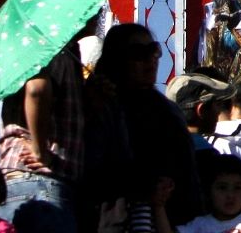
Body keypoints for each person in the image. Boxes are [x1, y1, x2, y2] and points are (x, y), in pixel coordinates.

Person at [82, 23, 203, 232]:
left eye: (154, 51)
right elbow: (93, 171)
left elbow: (186, 177)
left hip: (167, 220)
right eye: (139, 53)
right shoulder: (100, 105)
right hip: (113, 219)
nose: (150, 60)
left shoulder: (166, 110)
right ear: (117, 59)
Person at [0, 28, 90, 233]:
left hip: (18, 182)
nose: (96, 14)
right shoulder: (52, 46)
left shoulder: (66, 50)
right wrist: (39, 149)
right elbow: (37, 89)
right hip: (41, 181)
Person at [171, 73, 241, 184]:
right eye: (216, 105)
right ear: (202, 110)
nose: (219, 112)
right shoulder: (207, 157)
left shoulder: (167, 152)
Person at [179, 153, 241, 233]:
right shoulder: (200, 225)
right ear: (208, 192)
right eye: (222, 188)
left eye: (237, 188)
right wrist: (161, 207)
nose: (230, 195)